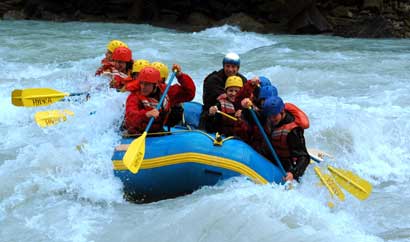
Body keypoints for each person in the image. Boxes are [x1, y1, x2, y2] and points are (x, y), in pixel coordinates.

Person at [240, 96, 310, 182]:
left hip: (285, 163)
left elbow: (304, 157)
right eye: (269, 116)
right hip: (269, 155)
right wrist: (246, 108)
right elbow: (254, 118)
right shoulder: (269, 116)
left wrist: (293, 173)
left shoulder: (293, 131)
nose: (272, 119)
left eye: (274, 116)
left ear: (282, 111)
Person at [124, 65, 195, 134]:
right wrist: (146, 114)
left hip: (157, 131)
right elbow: (130, 117)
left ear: (156, 85)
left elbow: (189, 93)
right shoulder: (134, 96)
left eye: (147, 84)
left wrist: (180, 76)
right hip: (136, 133)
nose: (143, 87)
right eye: (141, 83)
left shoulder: (165, 91)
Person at [200, 52, 247, 132]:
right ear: (223, 66)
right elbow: (209, 101)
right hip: (214, 111)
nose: (230, 70)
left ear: (238, 68)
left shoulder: (243, 80)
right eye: (227, 66)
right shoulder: (213, 79)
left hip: (235, 113)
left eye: (233, 67)